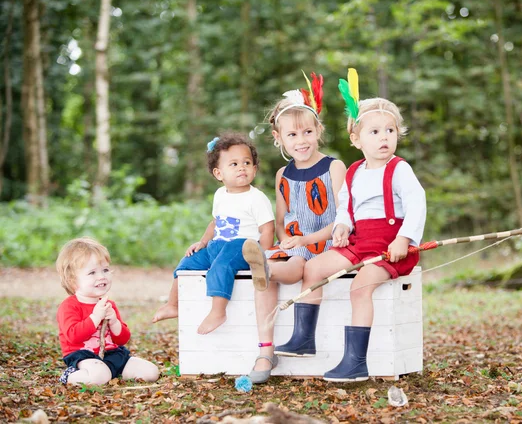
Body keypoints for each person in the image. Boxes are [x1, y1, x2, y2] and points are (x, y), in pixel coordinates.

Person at [289, 68, 427, 382]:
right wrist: (341, 227)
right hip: (360, 242)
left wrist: (405, 238)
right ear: (356, 138)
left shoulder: (399, 169)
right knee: (313, 268)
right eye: (375, 132)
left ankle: (355, 361)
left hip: (392, 247)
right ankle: (303, 338)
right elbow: (346, 208)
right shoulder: (354, 172)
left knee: (360, 286)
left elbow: (417, 204)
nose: (384, 138)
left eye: (390, 131)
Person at [241, 72, 347, 383]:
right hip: (298, 243)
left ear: (318, 131)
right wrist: (286, 239)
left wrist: (306, 238)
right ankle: (265, 346)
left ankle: (269, 271)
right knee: (294, 258)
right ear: (278, 138)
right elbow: (283, 219)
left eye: (307, 132)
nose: (301, 141)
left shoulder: (333, 167)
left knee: (303, 262)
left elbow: (344, 217)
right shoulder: (282, 175)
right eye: (292, 135)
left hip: (329, 241)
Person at [152, 132, 275, 334]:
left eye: (246, 162)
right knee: (187, 263)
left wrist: (265, 255)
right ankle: (173, 304)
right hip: (216, 245)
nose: (242, 167)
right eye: (233, 164)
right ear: (219, 174)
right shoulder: (220, 195)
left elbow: (267, 228)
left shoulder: (256, 198)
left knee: (222, 265)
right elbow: (215, 222)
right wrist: (202, 242)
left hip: (242, 247)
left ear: (254, 169)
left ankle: (218, 311)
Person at [56, 237, 160, 385]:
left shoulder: (108, 304)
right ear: (73, 280)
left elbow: (122, 339)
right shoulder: (69, 306)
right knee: (100, 375)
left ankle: (110, 373)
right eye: (92, 273)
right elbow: (73, 336)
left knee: (150, 372)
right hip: (84, 356)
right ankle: (71, 376)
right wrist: (95, 317)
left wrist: (114, 322)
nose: (101, 276)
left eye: (105, 270)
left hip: (111, 353)